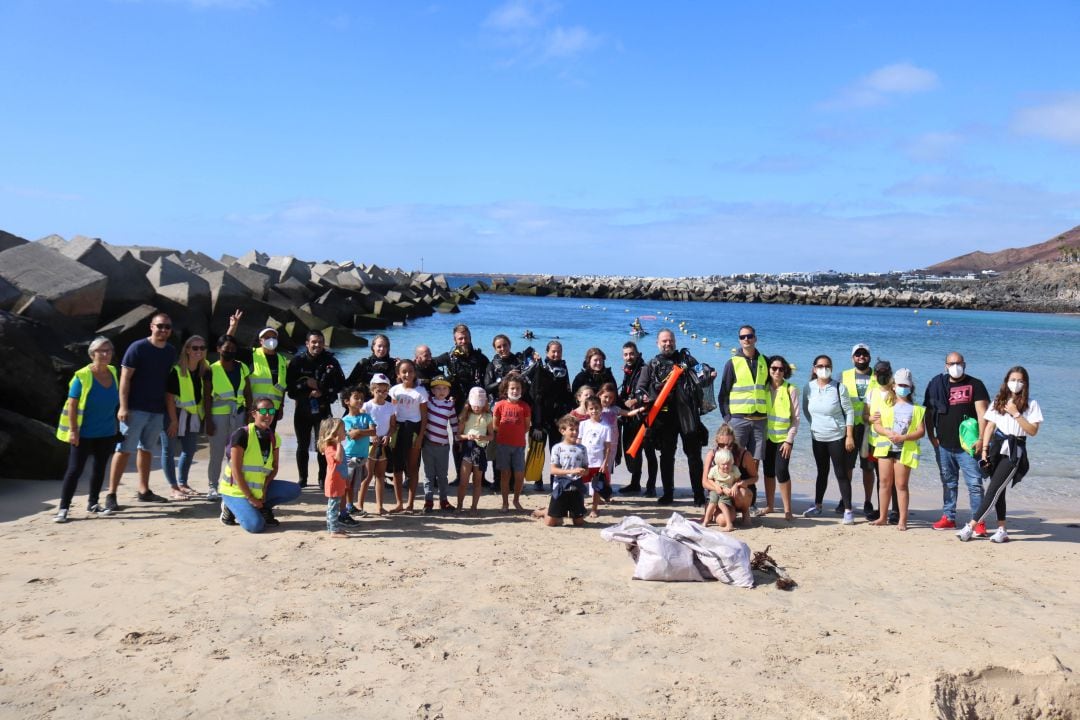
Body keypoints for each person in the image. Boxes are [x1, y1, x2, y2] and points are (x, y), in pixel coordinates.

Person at [956, 366, 1042, 544]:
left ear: (1025, 383)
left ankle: (970, 526)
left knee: (993, 489)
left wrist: (1016, 414)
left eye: (1019, 380)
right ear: (1006, 381)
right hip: (996, 448)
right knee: (999, 492)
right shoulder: (999, 401)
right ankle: (1002, 530)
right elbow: (990, 426)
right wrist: (985, 451)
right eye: (1012, 380)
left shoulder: (1032, 404)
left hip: (1014, 450)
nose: (1015, 383)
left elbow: (1033, 431)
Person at [105, 311, 178, 511]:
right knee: (124, 450)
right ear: (151, 327)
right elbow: (125, 379)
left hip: (157, 410)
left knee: (146, 449)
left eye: (167, 327)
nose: (163, 329)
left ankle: (144, 490)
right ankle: (111, 494)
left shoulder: (170, 351)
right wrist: (123, 406)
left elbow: (168, 383)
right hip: (134, 409)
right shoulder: (137, 348)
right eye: (160, 325)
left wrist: (170, 416)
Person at [634, 329, 710, 505]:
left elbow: (702, 373)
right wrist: (642, 397)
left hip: (687, 415)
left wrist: (709, 373)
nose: (668, 344)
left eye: (670, 341)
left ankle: (698, 494)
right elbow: (640, 388)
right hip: (664, 418)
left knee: (694, 455)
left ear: (675, 341)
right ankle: (668, 493)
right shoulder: (651, 365)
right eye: (664, 341)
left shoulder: (686, 360)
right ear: (658, 343)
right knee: (667, 456)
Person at [53, 337, 120, 523]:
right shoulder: (81, 376)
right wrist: (73, 430)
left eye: (109, 351)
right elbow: (73, 405)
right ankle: (63, 509)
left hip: (106, 431)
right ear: (92, 355)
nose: (106, 354)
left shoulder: (113, 371)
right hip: (84, 432)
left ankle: (93, 503)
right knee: (75, 470)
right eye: (101, 351)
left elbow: (115, 401)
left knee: (99, 469)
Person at [923, 351, 989, 531]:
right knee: (948, 482)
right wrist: (931, 436)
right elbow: (928, 412)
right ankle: (948, 517)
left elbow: (984, 414)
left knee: (975, 484)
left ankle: (978, 521)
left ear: (964, 364)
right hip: (943, 444)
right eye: (951, 364)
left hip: (968, 446)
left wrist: (982, 439)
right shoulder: (937, 384)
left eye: (958, 363)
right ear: (945, 366)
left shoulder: (975, 384)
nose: (955, 367)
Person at [218, 397, 301, 532]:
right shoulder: (242, 435)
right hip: (235, 491)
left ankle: (263, 507)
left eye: (271, 411)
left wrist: (264, 487)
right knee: (255, 526)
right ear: (254, 414)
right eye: (263, 410)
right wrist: (251, 498)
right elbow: (236, 471)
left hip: (257, 489)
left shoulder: (274, 438)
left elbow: (274, 469)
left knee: (294, 490)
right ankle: (228, 507)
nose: (268, 415)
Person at [285, 330, 346, 488]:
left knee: (324, 445)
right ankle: (302, 479)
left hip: (323, 408)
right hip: (303, 409)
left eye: (320, 342)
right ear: (307, 343)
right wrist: (306, 386)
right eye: (314, 342)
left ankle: (322, 478)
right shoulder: (297, 361)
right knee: (302, 445)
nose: (317, 345)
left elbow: (341, 385)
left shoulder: (331, 361)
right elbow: (290, 390)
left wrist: (322, 391)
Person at [716, 324, 768, 506]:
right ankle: (729, 500)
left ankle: (750, 502)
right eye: (743, 337)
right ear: (739, 340)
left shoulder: (765, 361)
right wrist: (727, 419)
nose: (746, 339)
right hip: (738, 419)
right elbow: (723, 393)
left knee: (754, 463)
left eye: (750, 336)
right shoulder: (732, 363)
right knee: (734, 460)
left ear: (755, 338)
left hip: (760, 420)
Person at [801, 355, 856, 523]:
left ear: (831, 368)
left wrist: (849, 436)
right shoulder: (808, 387)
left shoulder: (839, 388)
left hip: (837, 437)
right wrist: (814, 425)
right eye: (820, 365)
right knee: (821, 472)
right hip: (817, 437)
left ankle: (848, 511)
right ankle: (818, 506)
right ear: (814, 368)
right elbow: (806, 410)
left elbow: (850, 412)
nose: (823, 368)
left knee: (841, 473)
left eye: (827, 366)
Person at [869, 368, 925, 531]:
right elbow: (877, 425)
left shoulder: (916, 409)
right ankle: (882, 517)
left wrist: (903, 438)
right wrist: (886, 432)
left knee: (901, 485)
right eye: (900, 384)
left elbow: (921, 431)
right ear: (893, 386)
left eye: (906, 385)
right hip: (886, 449)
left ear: (911, 387)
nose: (903, 388)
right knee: (884, 483)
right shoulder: (886, 407)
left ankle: (902, 520)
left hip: (904, 450)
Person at [433, 324, 489, 485]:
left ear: (470, 338)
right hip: (457, 405)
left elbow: (489, 378)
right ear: (455, 340)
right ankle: (459, 475)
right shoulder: (449, 357)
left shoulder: (480, 358)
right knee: (459, 440)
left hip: (477, 406)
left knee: (480, 440)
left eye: (466, 337)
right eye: (460, 338)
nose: (463, 341)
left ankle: (481, 477)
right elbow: (430, 365)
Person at [162, 335, 211, 499]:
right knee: (168, 450)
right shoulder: (176, 370)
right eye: (195, 348)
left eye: (202, 348)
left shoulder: (204, 369)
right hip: (173, 414)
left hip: (193, 414)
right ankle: (174, 487)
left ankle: (183, 483)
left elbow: (224, 346)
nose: (199, 351)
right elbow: (169, 397)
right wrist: (174, 421)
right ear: (187, 350)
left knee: (189, 450)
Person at [205, 334, 253, 500]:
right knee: (217, 452)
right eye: (226, 349)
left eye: (233, 349)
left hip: (239, 414)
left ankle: (233, 483)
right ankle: (212, 486)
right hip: (218, 416)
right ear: (218, 349)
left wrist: (249, 413)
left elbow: (248, 392)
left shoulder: (242, 367)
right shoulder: (212, 369)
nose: (230, 352)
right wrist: (208, 420)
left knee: (236, 452)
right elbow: (207, 397)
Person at [523, 339, 574, 492]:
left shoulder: (563, 368)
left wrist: (568, 417)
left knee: (556, 451)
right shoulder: (540, 367)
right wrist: (537, 424)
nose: (556, 354)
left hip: (557, 419)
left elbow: (567, 393)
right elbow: (536, 396)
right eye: (553, 351)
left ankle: (554, 480)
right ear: (547, 352)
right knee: (537, 450)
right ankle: (538, 481)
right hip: (540, 417)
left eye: (559, 351)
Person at [226, 312, 288, 426]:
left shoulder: (282, 360)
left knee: (268, 442)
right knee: (250, 441)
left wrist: (282, 407)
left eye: (274, 337)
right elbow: (227, 346)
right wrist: (233, 327)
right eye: (267, 337)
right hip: (253, 410)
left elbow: (282, 386)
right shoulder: (251, 354)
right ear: (260, 341)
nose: (271, 340)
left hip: (272, 411)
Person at [841, 343, 879, 518]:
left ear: (869, 357)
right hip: (850, 428)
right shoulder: (844, 375)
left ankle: (868, 501)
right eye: (858, 354)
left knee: (868, 467)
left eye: (864, 354)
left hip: (872, 429)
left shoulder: (878, 376)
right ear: (852, 358)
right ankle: (845, 498)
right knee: (847, 465)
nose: (861, 357)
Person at [534, 414, 588, 527]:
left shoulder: (582, 449)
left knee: (579, 523)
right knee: (550, 523)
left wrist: (584, 472)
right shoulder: (557, 448)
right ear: (562, 431)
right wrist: (572, 471)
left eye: (577, 430)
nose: (575, 432)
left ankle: (569, 513)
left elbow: (586, 469)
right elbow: (553, 470)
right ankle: (544, 512)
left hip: (576, 487)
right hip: (560, 487)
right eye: (571, 429)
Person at [618, 341, 657, 496]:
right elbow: (626, 392)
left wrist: (635, 401)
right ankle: (635, 483)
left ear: (637, 353)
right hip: (631, 417)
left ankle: (651, 487)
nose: (629, 357)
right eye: (626, 354)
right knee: (633, 452)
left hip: (646, 417)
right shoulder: (628, 370)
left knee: (649, 452)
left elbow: (652, 393)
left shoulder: (645, 369)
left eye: (631, 353)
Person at [763, 355, 799, 520]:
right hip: (766, 437)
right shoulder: (763, 388)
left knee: (781, 471)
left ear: (785, 371)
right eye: (774, 368)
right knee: (768, 471)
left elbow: (796, 419)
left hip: (783, 439)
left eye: (781, 369)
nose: (777, 371)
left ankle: (787, 509)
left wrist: (789, 440)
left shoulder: (790, 389)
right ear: (769, 370)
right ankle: (770, 506)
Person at [390, 359, 429, 512]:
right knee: (397, 468)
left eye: (410, 371)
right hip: (398, 429)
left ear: (415, 373)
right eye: (404, 371)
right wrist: (390, 432)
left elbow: (424, 417)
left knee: (412, 468)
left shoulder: (421, 392)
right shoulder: (394, 390)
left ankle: (410, 504)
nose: (407, 374)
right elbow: (392, 413)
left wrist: (420, 437)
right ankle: (399, 503)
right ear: (398, 374)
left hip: (414, 429)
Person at [492, 373, 531, 512]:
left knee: (519, 474)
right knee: (505, 474)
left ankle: (516, 500)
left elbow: (527, 426)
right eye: (512, 388)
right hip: (503, 445)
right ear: (506, 390)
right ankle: (505, 503)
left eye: (518, 388)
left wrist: (517, 434)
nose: (515, 391)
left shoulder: (524, 406)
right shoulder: (499, 405)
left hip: (519, 446)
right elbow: (495, 425)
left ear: (522, 390)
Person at [421, 376, 459, 512]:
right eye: (437, 388)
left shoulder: (450, 405)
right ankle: (428, 501)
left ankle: (444, 500)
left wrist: (457, 440)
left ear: (449, 390)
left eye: (444, 388)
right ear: (432, 390)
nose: (441, 391)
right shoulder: (428, 402)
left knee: (442, 475)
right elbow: (419, 387)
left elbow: (454, 424)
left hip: (443, 445)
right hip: (428, 444)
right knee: (428, 475)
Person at [362, 374, 398, 515]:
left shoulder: (390, 407)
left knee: (380, 476)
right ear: (372, 391)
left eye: (385, 391)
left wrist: (388, 436)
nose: (382, 394)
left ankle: (380, 506)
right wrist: (372, 435)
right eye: (379, 391)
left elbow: (393, 426)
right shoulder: (366, 406)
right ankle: (359, 505)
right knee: (367, 475)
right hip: (370, 444)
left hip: (382, 444)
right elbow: (362, 425)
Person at [456, 387, 493, 516]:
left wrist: (483, 437)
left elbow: (491, 436)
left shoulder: (488, 417)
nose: (477, 407)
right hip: (468, 448)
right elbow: (458, 435)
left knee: (478, 482)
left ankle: (474, 507)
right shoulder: (465, 416)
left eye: (479, 404)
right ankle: (459, 505)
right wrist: (467, 437)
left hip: (480, 449)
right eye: (474, 404)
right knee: (463, 481)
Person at [578, 396, 614, 518]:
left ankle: (594, 508)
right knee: (580, 485)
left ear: (601, 408)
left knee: (597, 487)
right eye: (591, 408)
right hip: (584, 462)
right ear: (587, 410)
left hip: (598, 462)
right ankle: (580, 507)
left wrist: (605, 463)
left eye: (596, 408)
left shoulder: (606, 427)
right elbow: (578, 442)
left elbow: (608, 447)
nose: (594, 411)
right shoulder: (583, 424)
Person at [318, 418, 354, 539]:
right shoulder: (330, 447)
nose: (346, 432)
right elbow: (338, 459)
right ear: (334, 433)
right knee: (333, 507)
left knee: (335, 506)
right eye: (343, 430)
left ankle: (334, 527)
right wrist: (338, 444)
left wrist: (346, 480)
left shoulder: (336, 447)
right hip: (333, 482)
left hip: (339, 480)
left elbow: (343, 465)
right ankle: (333, 530)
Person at [342, 386, 375, 517]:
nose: (360, 400)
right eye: (356, 398)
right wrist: (361, 432)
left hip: (363, 456)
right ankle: (345, 507)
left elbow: (373, 431)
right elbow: (352, 435)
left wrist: (360, 431)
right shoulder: (345, 420)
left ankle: (349, 505)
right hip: (349, 456)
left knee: (356, 483)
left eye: (362, 398)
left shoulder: (366, 417)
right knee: (347, 484)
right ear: (347, 401)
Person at [701, 448, 738, 531]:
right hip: (716, 489)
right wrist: (716, 486)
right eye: (723, 464)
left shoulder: (734, 469)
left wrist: (734, 486)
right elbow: (709, 479)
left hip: (726, 492)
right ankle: (706, 520)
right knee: (712, 502)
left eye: (728, 463)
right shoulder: (714, 469)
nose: (726, 466)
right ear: (718, 463)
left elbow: (738, 480)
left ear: (732, 462)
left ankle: (729, 524)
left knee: (722, 504)